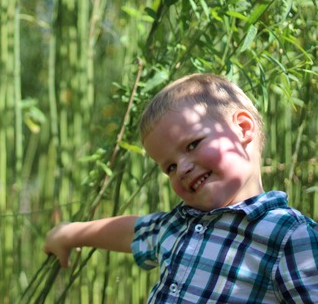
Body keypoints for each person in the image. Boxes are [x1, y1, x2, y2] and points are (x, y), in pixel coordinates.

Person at [43, 73, 318, 303]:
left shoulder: (288, 236)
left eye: (192, 144)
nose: (183, 168)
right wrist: (70, 233)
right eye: (170, 167)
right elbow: (131, 231)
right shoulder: (180, 223)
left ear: (243, 128)